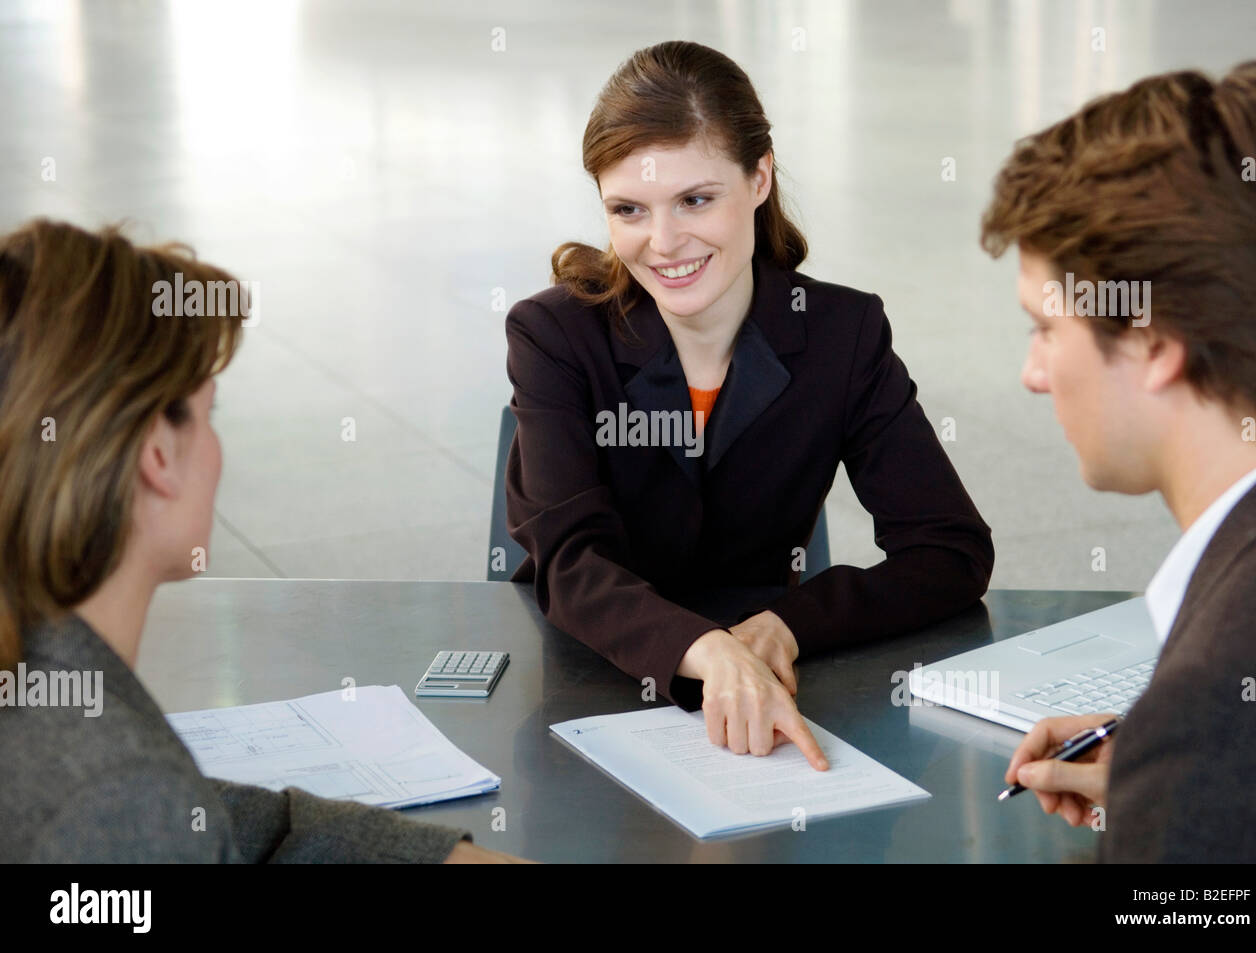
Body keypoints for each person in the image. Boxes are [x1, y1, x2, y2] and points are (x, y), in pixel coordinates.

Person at [505, 40, 994, 768]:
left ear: (760, 177)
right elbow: (571, 562)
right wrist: (705, 649)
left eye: (696, 200)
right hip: (592, 677)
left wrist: (788, 625)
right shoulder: (554, 335)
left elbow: (949, 549)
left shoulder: (842, 334)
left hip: (771, 692)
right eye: (629, 209)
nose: (663, 243)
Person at [0, 219, 523, 863]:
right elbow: (143, 811)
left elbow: (203, 817)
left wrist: (432, 859)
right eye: (208, 412)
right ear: (157, 453)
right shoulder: (116, 788)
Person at [981, 61, 1256, 862]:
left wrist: (1184, 779)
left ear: (1154, 343)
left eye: (1046, 328)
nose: (1033, 373)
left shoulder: (1214, 707)